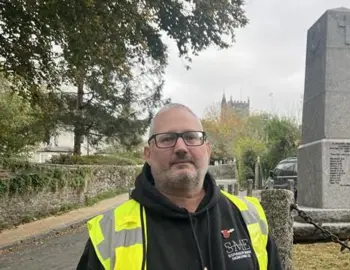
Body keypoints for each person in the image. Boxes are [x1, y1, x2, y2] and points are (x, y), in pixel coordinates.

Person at [76, 103, 283, 270]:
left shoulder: (249, 217)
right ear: (148, 154)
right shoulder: (110, 232)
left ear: (207, 150)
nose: (181, 148)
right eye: (167, 139)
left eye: (191, 137)